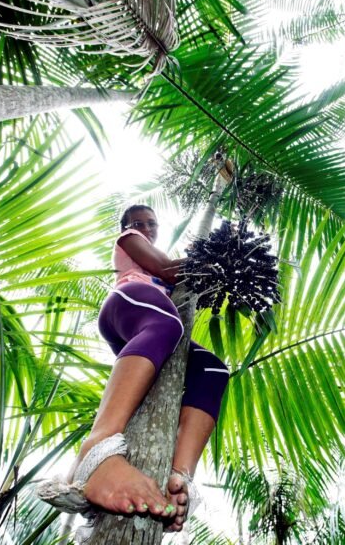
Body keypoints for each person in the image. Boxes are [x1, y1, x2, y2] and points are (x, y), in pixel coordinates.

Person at [66, 204, 229, 532]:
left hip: (154, 331)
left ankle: (180, 477)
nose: (145, 226)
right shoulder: (129, 239)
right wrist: (218, 261)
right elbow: (167, 268)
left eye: (151, 223)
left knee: (213, 370)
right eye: (138, 221)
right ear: (127, 225)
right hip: (129, 303)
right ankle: (96, 447)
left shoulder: (158, 258)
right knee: (168, 324)